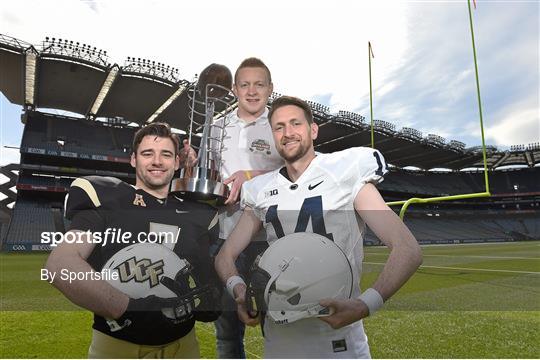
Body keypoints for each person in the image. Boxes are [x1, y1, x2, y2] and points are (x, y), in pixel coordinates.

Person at [215, 96, 423, 358]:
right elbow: (225, 256)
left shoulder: (345, 171)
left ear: (313, 130)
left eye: (295, 124)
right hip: (279, 341)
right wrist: (239, 290)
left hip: (338, 341)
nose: (288, 133)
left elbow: (408, 249)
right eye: (279, 127)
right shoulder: (260, 189)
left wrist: (364, 305)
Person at [45, 122, 220, 358]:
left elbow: (203, 276)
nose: (157, 161)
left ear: (177, 162)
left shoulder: (194, 213)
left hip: (185, 346)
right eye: (147, 153)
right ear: (133, 160)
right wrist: (129, 309)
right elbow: (60, 265)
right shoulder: (109, 198)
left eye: (166, 154)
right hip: (119, 346)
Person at [181, 58, 283, 358]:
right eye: (245, 84)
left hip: (271, 238)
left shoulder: (279, 124)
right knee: (227, 334)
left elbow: (296, 170)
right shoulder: (217, 124)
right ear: (235, 89)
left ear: (270, 89)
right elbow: (208, 175)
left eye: (259, 84)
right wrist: (192, 163)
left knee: (278, 327)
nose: (252, 91)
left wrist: (250, 177)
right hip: (224, 237)